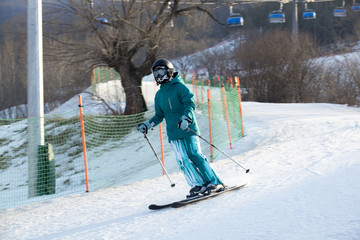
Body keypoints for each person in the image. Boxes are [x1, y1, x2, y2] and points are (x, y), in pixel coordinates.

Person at [137, 59, 224, 197]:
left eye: (161, 71)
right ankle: (197, 185)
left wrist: (186, 118)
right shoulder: (159, 95)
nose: (158, 76)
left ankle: (213, 182)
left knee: (194, 155)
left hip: (187, 128)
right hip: (173, 133)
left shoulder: (180, 87)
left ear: (169, 71)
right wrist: (148, 125)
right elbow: (159, 115)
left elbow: (190, 103)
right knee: (182, 159)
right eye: (155, 73)